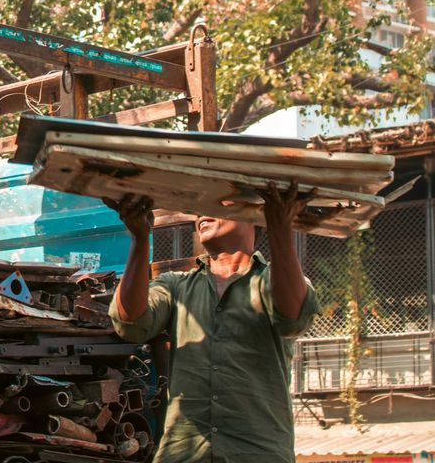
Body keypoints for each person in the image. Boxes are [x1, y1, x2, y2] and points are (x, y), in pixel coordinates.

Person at [108, 185, 322, 463]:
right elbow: (130, 322)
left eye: (216, 201)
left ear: (252, 214)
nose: (201, 213)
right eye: (198, 207)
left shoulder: (272, 282)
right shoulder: (175, 286)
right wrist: (139, 239)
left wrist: (281, 226)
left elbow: (293, 316)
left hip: (258, 454)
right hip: (182, 455)